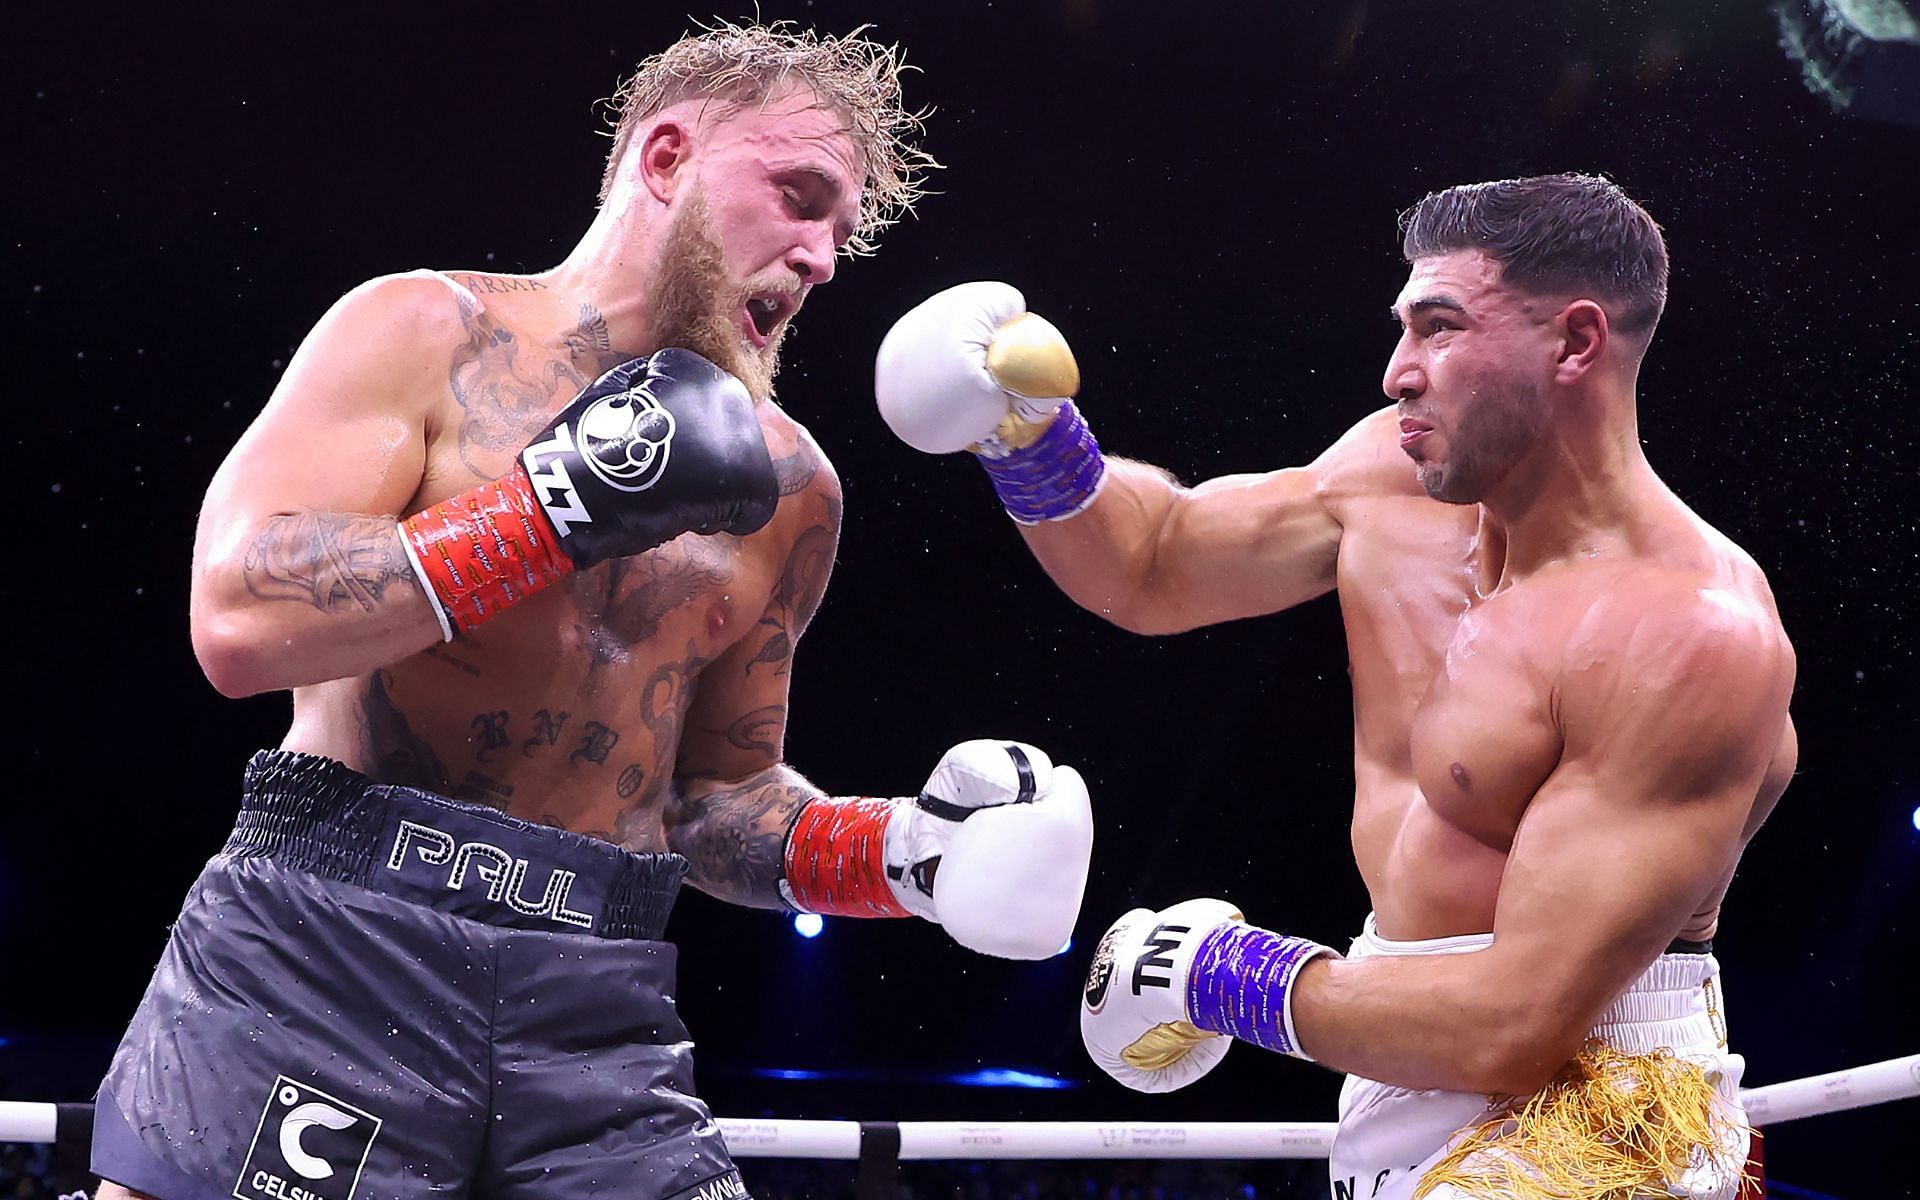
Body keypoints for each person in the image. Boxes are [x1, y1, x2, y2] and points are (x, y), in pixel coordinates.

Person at [92, 22, 1095, 1200]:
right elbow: (239, 617)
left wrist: (902, 856)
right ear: (665, 159)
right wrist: (553, 509)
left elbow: (719, 797)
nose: (823, 255)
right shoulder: (424, 331)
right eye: (799, 196)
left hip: (596, 991)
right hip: (332, 944)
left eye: (844, 229)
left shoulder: (794, 489)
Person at [875, 174, 1796, 1198]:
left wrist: (1223, 975)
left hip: (1596, 1093)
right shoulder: (1389, 476)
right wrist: (1031, 435)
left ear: (1576, 343)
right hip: (1393, 1042)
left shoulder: (1688, 632)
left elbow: (1514, 1025)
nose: (1399, 371)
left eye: (1439, 329)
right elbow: (1153, 565)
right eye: (1403, 328)